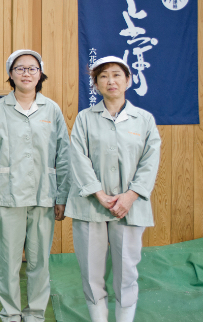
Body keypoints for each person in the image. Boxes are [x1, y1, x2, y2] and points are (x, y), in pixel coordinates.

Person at [0, 49, 71, 322]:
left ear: (40, 74)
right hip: (7, 196)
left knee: (39, 262)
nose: (26, 73)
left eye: (32, 68)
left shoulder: (52, 109)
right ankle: (11, 313)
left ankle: (36, 313)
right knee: (10, 262)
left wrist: (63, 196)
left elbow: (64, 156)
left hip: (44, 196)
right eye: (20, 68)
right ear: (10, 75)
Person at [64, 56, 161, 322]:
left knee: (127, 268)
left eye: (117, 75)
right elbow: (78, 157)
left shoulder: (144, 120)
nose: (111, 81)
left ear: (128, 80)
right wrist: (98, 192)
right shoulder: (85, 118)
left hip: (130, 206)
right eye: (103, 76)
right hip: (91, 204)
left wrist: (130, 196)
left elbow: (150, 161)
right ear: (95, 84)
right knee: (91, 268)